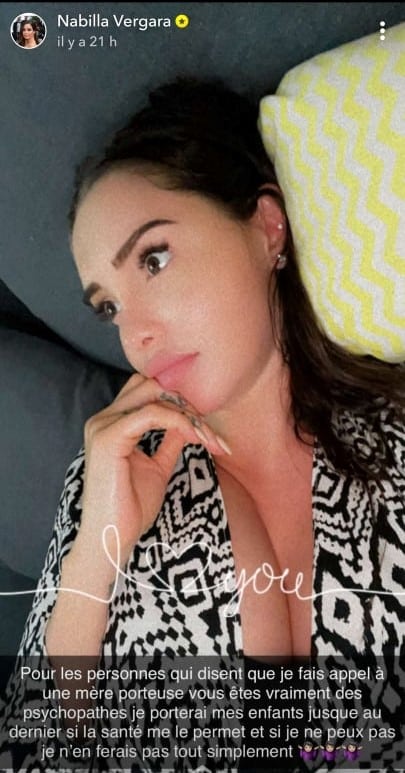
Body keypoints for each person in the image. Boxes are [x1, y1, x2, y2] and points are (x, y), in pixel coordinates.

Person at [1, 76, 404, 771]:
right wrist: (97, 548)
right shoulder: (108, 472)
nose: (135, 335)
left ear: (267, 227)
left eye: (153, 259)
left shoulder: (392, 438)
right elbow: (31, 747)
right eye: (108, 308)